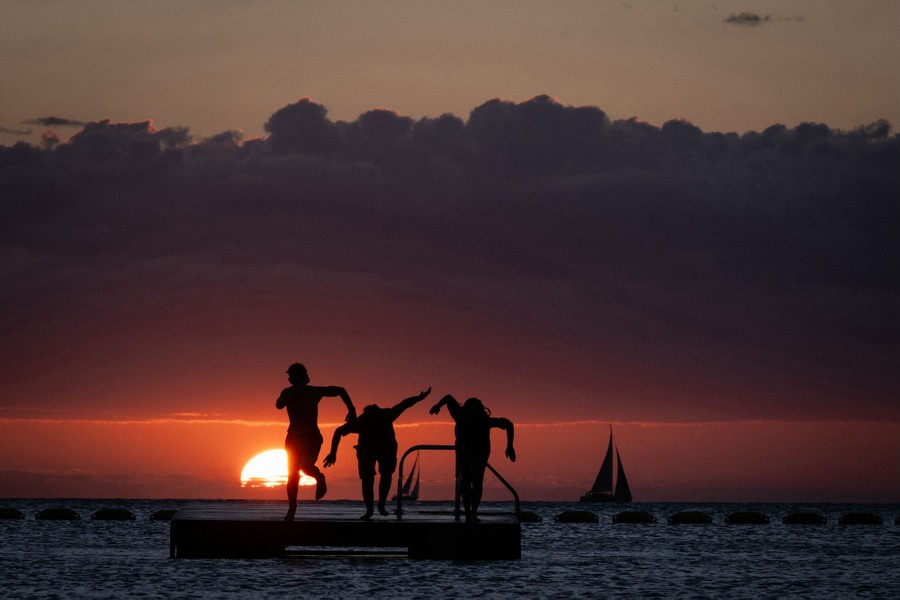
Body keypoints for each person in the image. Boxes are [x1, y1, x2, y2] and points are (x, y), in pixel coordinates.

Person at [324, 387, 431, 520]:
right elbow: (338, 432)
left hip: (386, 448)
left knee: (385, 475)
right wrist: (332, 453)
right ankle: (370, 509)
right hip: (367, 449)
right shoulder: (362, 422)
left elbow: (405, 404)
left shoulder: (387, 415)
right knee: (367, 480)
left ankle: (380, 505)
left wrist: (419, 398)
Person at [276, 362, 356, 521]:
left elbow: (340, 390)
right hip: (293, 438)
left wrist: (351, 410)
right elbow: (279, 405)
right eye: (290, 377)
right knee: (292, 475)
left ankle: (319, 478)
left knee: (305, 467)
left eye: (294, 377)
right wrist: (299, 387)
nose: (291, 380)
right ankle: (292, 508)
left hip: (311, 437)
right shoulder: (287, 392)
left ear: (302, 376)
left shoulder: (314, 392)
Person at [430, 394, 515, 523]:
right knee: (475, 481)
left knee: (468, 480)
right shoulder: (482, 420)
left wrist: (438, 405)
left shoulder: (461, 416)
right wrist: (509, 446)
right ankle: (472, 513)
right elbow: (509, 424)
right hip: (476, 451)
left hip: (470, 451)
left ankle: (470, 513)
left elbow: (448, 398)